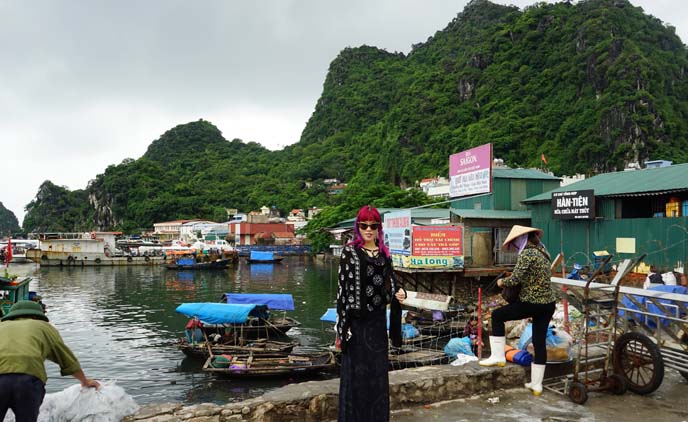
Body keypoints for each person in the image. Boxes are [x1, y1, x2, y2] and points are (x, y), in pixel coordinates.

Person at [335, 205, 406, 421]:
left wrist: (399, 291)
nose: (368, 229)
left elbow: (390, 282)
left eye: (373, 225)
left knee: (376, 377)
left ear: (378, 228)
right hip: (356, 325)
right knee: (356, 378)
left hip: (376, 324)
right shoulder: (349, 252)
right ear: (358, 227)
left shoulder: (384, 255)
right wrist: (342, 328)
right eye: (364, 225)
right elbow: (343, 292)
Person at [479, 225, 556, 397]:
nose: (515, 246)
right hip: (548, 304)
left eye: (515, 242)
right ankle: (536, 385)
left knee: (497, 316)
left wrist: (501, 283)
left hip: (532, 302)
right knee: (539, 341)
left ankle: (498, 357)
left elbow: (516, 278)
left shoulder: (527, 253)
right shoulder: (544, 253)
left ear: (522, 239)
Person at [0, 300, 100, 421]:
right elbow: (67, 359)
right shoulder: (44, 327)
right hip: (27, 381)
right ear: (37, 315)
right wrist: (84, 381)